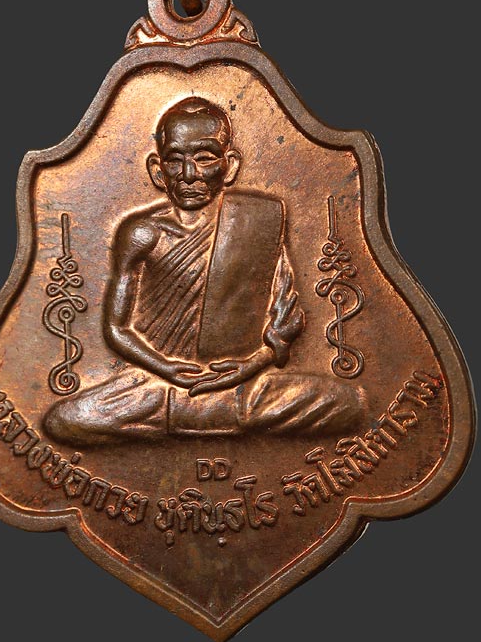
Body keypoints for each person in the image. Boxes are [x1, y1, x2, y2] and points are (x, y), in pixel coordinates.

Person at [45, 98, 365, 444]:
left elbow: (286, 320)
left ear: (230, 166)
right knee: (65, 421)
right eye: (175, 160)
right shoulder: (142, 234)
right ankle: (197, 418)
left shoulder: (259, 221)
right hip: (157, 389)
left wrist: (252, 364)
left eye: (205, 158)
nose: (189, 174)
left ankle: (193, 422)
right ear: (157, 170)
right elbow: (116, 328)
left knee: (351, 405)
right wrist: (165, 368)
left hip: (245, 387)